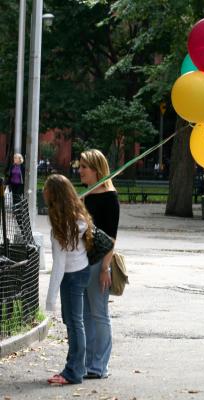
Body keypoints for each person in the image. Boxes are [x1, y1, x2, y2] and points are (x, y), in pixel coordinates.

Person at [45, 174, 94, 385]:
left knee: (75, 323)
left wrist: (49, 300)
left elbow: (59, 265)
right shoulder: (78, 215)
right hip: (82, 271)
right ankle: (75, 366)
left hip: (72, 275)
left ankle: (73, 372)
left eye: (46, 190)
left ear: (54, 195)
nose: (43, 193)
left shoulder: (62, 225)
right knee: (74, 321)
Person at [79, 149, 120, 379]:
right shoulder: (86, 195)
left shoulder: (109, 197)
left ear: (96, 169)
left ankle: (99, 366)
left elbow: (111, 238)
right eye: (80, 166)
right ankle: (87, 363)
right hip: (82, 262)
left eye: (84, 166)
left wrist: (105, 268)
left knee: (99, 314)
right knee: (85, 315)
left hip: (99, 264)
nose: (80, 170)